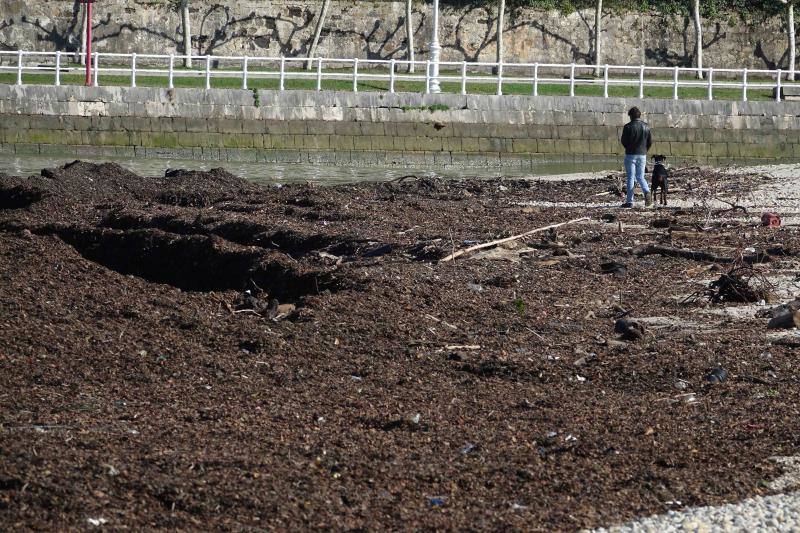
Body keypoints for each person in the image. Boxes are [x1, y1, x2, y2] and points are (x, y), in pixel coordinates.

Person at [620, 107, 652, 208]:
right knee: (640, 176)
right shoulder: (646, 126)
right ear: (639, 115)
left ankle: (630, 201)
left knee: (630, 177)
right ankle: (647, 192)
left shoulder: (627, 127)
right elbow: (650, 142)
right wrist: (644, 150)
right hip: (642, 154)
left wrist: (628, 148)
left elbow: (623, 141)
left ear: (630, 116)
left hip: (630, 154)